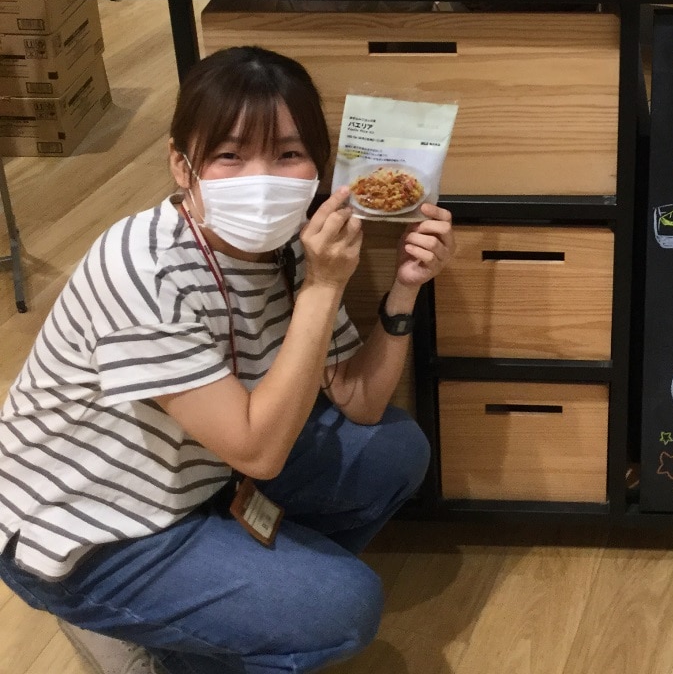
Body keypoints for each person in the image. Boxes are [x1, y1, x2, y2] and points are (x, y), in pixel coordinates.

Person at [0, 45, 455, 674]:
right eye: (229, 155)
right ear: (181, 164)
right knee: (344, 608)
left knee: (394, 452)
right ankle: (155, 634)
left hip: (205, 475)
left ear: (321, 167)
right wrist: (324, 287)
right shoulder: (143, 267)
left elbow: (361, 401)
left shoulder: (291, 249)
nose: (260, 179)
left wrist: (405, 288)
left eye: (288, 154)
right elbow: (258, 453)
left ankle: (216, 613)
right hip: (90, 525)